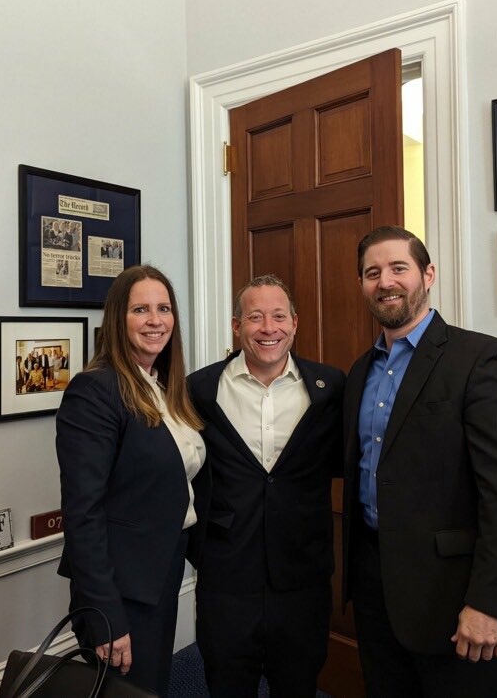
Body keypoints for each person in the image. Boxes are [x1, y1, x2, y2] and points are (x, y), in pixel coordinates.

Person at [342, 226, 497, 698]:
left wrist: (490, 604)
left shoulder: (481, 358)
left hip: (453, 597)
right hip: (374, 585)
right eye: (372, 272)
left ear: (427, 275)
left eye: (398, 268)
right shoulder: (358, 372)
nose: (385, 281)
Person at [187, 275, 344, 697]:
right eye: (255, 317)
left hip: (302, 576)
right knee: (226, 685)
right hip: (226, 575)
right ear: (237, 326)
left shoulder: (331, 388)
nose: (268, 328)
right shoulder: (199, 389)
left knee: (298, 685)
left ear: (295, 323)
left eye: (278, 316)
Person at [56, 265, 208, 695]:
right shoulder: (94, 391)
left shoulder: (163, 387)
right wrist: (107, 615)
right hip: (119, 590)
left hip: (159, 573)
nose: (155, 320)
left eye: (163, 308)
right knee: (128, 690)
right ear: (117, 320)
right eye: (140, 309)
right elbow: (83, 513)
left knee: (150, 686)